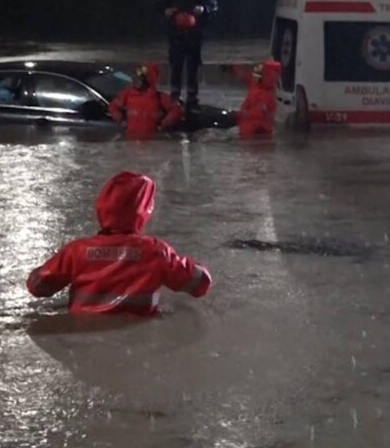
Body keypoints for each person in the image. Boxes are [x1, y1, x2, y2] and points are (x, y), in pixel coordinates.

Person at [25, 172, 212, 315]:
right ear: (143, 211)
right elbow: (200, 284)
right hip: (138, 339)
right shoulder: (156, 252)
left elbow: (37, 287)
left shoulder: (76, 251)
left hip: (83, 337)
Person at [158, 0, 219, 112]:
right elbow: (159, 6)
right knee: (176, 66)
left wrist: (203, 9)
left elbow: (214, 5)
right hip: (176, 33)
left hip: (194, 34)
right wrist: (166, 11)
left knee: (193, 67)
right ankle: (174, 96)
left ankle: (192, 98)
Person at [108, 64, 184, 139]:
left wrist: (165, 123)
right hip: (132, 139)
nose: (135, 81)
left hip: (152, 140)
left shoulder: (158, 96)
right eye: (134, 78)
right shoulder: (127, 95)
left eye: (139, 79)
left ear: (147, 80)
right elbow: (113, 106)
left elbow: (176, 109)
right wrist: (121, 120)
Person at [224, 60, 281, 138]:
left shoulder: (269, 96)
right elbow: (244, 76)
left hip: (254, 134)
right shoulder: (256, 84)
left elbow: (260, 116)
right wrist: (232, 69)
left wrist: (239, 115)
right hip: (246, 130)